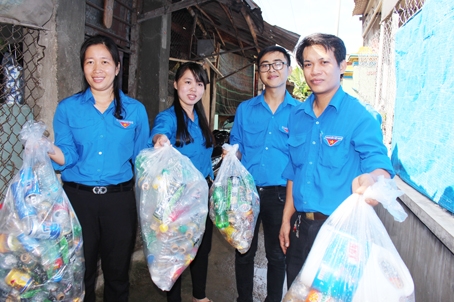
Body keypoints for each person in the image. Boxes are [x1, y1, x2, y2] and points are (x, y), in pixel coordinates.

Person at [278, 33, 395, 288]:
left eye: (324, 62)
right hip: (300, 227)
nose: (314, 71)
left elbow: (380, 164)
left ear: (342, 66)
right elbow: (293, 171)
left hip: (339, 234)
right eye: (308, 64)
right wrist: (286, 219)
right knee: (296, 292)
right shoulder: (297, 115)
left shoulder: (359, 116)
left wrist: (372, 179)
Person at [48, 35, 150, 302]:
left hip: (119, 201)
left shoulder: (135, 111)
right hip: (77, 200)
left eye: (105, 61)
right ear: (83, 67)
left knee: (117, 274)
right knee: (80, 273)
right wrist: (46, 150)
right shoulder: (68, 108)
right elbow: (67, 154)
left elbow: (142, 159)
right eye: (90, 62)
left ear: (117, 67)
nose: (97, 69)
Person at [229, 45, 300, 302]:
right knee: (244, 251)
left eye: (278, 63)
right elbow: (236, 145)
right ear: (260, 72)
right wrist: (232, 154)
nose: (272, 69)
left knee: (277, 254)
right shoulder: (245, 110)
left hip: (281, 194)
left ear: (289, 70)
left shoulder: (300, 113)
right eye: (266, 65)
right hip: (246, 192)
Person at [150, 62, 214, 302]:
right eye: (187, 82)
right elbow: (159, 132)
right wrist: (160, 139)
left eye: (199, 84)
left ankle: (199, 296)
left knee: (202, 249)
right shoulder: (168, 117)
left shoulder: (200, 118)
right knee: (175, 251)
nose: (193, 89)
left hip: (202, 195)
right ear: (176, 84)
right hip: (178, 198)